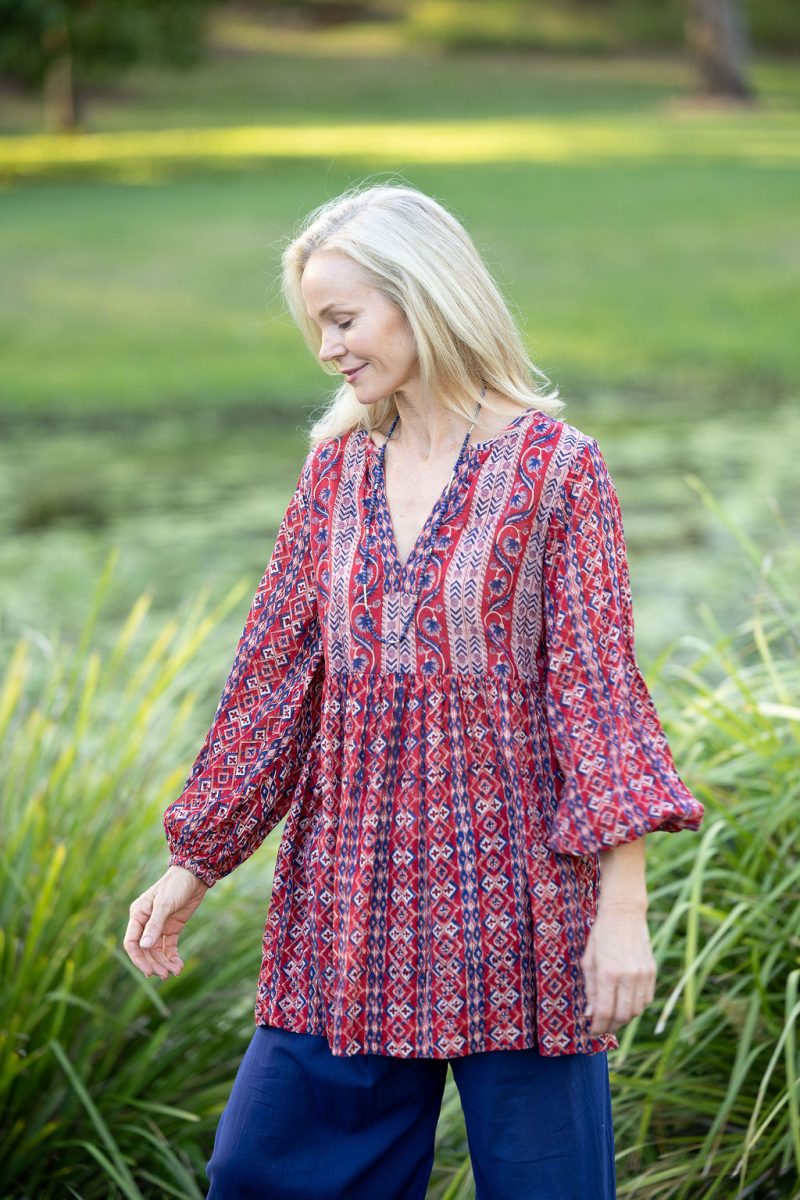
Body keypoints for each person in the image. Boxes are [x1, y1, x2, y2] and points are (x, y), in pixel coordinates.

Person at [124, 182, 704, 1200]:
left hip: (521, 917)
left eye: (342, 318)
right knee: (260, 1176)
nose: (326, 348)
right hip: (347, 909)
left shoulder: (556, 472)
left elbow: (596, 695)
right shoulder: (333, 474)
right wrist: (194, 862)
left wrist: (621, 912)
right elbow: (275, 681)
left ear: (420, 296)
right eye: (315, 325)